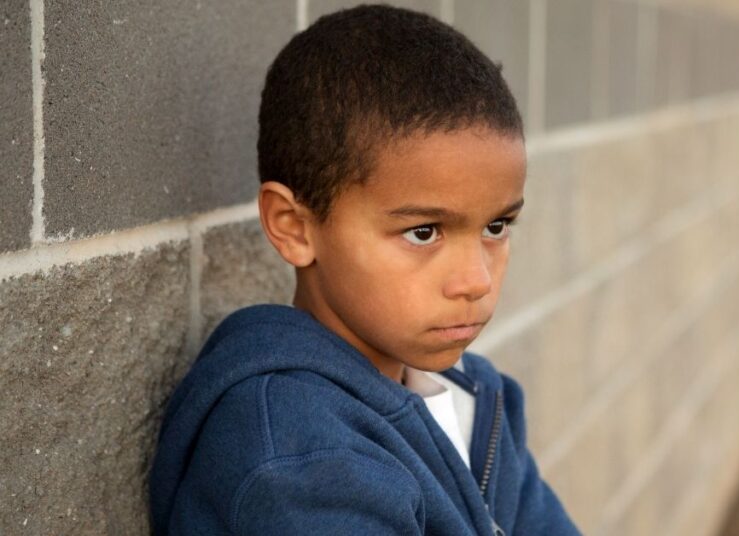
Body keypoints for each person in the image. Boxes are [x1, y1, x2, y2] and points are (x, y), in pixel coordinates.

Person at [148, 5, 580, 535]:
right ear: (295, 227)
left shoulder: (472, 394)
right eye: (423, 232)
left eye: (496, 227)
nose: (476, 281)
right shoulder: (295, 453)